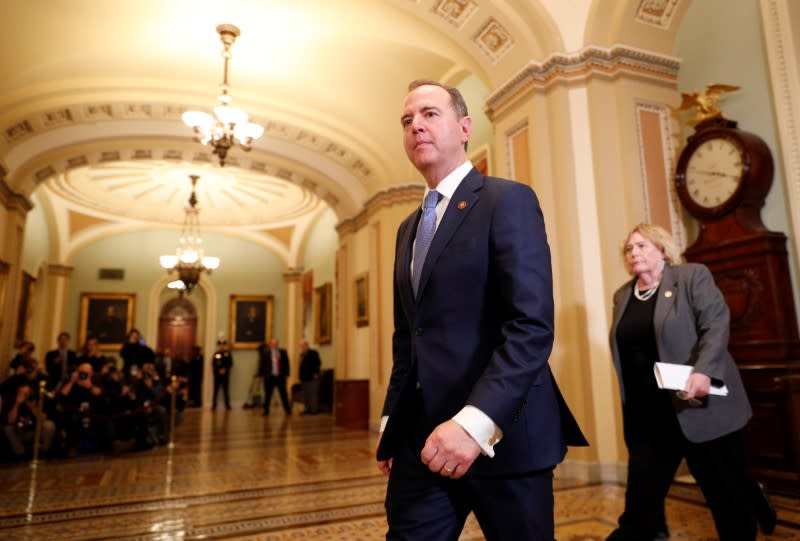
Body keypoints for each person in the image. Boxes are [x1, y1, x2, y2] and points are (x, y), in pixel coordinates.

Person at [376, 79, 586, 540]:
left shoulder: (507, 200)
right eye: (408, 120)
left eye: (430, 114)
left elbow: (530, 325)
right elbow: (408, 336)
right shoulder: (407, 229)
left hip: (505, 437)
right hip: (421, 443)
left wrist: (474, 425)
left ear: (465, 126)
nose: (417, 126)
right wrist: (393, 420)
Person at [606, 223, 776, 541]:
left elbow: (715, 324)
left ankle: (751, 501)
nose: (633, 253)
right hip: (649, 416)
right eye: (629, 249)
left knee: (726, 495)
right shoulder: (623, 296)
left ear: (662, 249)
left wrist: (703, 370)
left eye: (641, 245)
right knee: (641, 503)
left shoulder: (690, 277)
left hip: (696, 406)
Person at [258, 339, 291, 416]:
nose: (275, 345)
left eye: (276, 343)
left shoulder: (283, 352)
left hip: (280, 376)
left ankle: (287, 410)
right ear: (270, 345)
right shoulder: (265, 352)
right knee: (268, 394)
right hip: (269, 377)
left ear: (278, 344)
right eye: (273, 344)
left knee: (284, 394)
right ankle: (266, 411)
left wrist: (287, 374)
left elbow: (287, 363)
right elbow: (261, 364)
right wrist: (260, 375)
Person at [298, 339, 322, 414]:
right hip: (303, 377)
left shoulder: (313, 353)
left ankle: (314, 410)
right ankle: (307, 409)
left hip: (312, 376)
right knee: (305, 394)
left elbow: (318, 363)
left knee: (313, 394)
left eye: (304, 345)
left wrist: (315, 373)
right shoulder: (301, 354)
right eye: (301, 346)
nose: (303, 347)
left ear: (307, 345)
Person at [211, 340, 233, 410]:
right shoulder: (216, 354)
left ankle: (227, 405)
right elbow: (214, 364)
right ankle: (214, 405)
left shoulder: (228, 354)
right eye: (220, 345)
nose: (222, 346)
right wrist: (218, 370)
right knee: (215, 390)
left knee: (226, 390)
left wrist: (225, 369)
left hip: (225, 375)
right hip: (217, 375)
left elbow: (230, 363)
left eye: (223, 345)